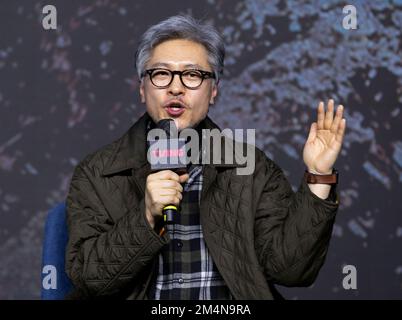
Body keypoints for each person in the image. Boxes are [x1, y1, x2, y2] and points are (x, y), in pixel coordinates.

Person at [65, 15, 346, 300]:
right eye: (161, 74)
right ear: (142, 88)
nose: (176, 88)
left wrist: (319, 175)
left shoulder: (250, 167)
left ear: (213, 91)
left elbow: (290, 271)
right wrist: (146, 216)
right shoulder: (98, 172)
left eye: (192, 75)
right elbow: (89, 279)